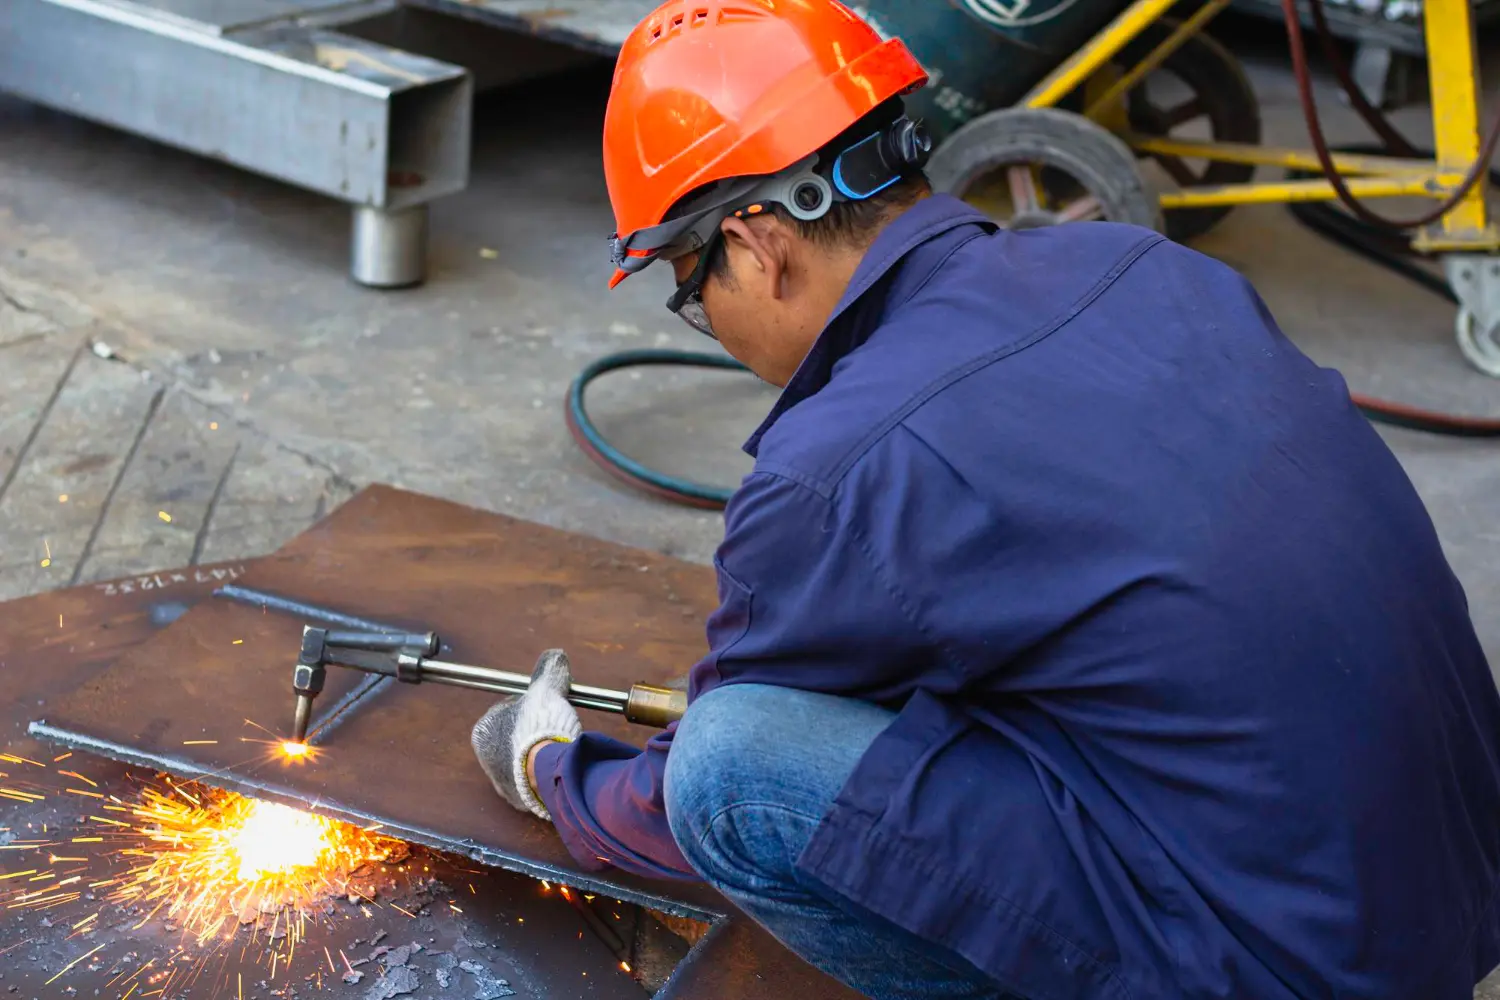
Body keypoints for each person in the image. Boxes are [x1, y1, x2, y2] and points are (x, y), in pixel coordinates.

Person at [470, 1, 1500, 997]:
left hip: (1277, 967)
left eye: (693, 288)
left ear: (755, 242)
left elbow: (701, 762)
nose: (710, 318)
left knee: (727, 764)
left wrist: (555, 770)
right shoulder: (1132, 260)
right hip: (1443, 900)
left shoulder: (836, 466)